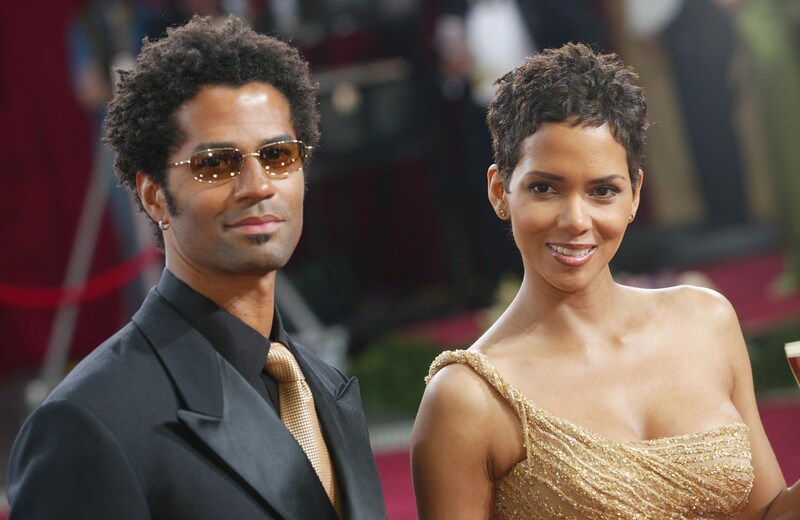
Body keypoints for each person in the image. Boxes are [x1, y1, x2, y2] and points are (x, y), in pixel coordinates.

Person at [7, 15, 386, 519]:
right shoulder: (89, 422)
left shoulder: (326, 387)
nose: (258, 185)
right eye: (216, 164)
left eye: (278, 155)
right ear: (155, 196)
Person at [410, 42, 799, 518]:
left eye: (603, 191)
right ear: (500, 191)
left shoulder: (707, 322)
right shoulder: (466, 399)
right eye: (544, 188)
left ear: (634, 194)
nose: (575, 219)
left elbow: (769, 514)